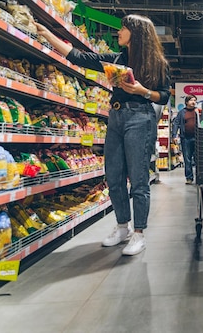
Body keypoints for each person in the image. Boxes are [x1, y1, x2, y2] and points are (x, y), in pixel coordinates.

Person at [35, 15, 170, 256]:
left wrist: (142, 91)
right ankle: (122, 227)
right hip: (116, 118)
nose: (119, 32)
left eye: (123, 28)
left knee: (139, 179)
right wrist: (46, 34)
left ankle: (139, 233)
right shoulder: (116, 60)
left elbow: (164, 95)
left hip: (141, 117)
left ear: (136, 33)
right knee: (114, 175)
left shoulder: (157, 63)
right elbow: (79, 57)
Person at [172, 95, 197, 184]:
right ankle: (189, 178)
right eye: (191, 100)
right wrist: (174, 135)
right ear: (186, 102)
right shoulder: (182, 112)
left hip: (198, 138)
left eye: (195, 100)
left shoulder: (197, 112)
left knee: (198, 158)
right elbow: (176, 123)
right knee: (187, 158)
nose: (193, 102)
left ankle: (199, 177)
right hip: (185, 138)